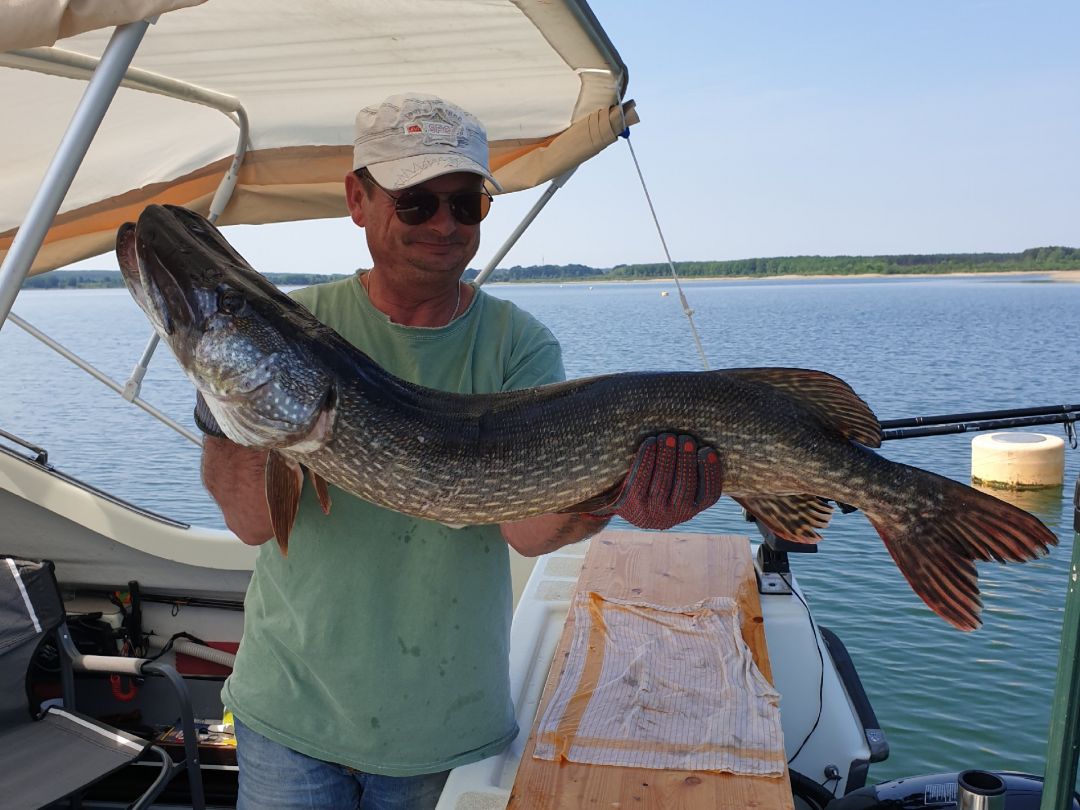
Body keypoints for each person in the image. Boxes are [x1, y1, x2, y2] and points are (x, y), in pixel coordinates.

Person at [197, 92, 722, 810]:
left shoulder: (518, 344)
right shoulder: (304, 324)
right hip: (289, 716)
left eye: (465, 203)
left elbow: (530, 529)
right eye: (416, 203)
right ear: (359, 199)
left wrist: (617, 496)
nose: (443, 224)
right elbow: (252, 522)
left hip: (443, 731)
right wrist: (226, 405)